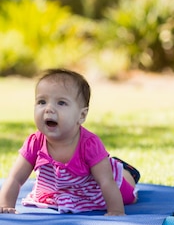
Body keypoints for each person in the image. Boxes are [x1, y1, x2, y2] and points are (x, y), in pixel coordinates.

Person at [0, 68, 140, 216]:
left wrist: (116, 210)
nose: (49, 109)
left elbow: (106, 182)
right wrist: (5, 205)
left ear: (81, 115)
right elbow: (15, 178)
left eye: (61, 103)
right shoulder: (34, 142)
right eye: (42, 102)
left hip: (95, 188)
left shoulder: (90, 144)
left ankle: (126, 170)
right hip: (61, 189)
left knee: (127, 195)